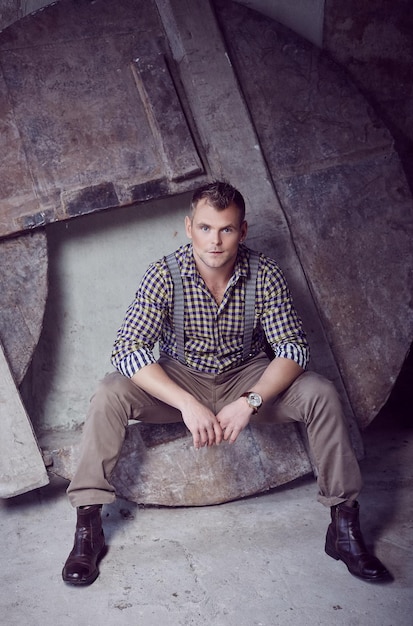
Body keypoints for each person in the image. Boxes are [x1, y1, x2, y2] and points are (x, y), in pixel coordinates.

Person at [62, 180, 391, 586]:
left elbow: (293, 348)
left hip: (247, 377)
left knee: (320, 393)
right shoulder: (164, 275)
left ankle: (343, 527)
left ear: (243, 231)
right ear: (188, 227)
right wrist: (186, 403)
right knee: (110, 390)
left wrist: (250, 401)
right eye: (205, 228)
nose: (215, 241)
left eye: (226, 229)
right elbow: (128, 350)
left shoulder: (265, 274)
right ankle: (87, 527)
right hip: (182, 378)